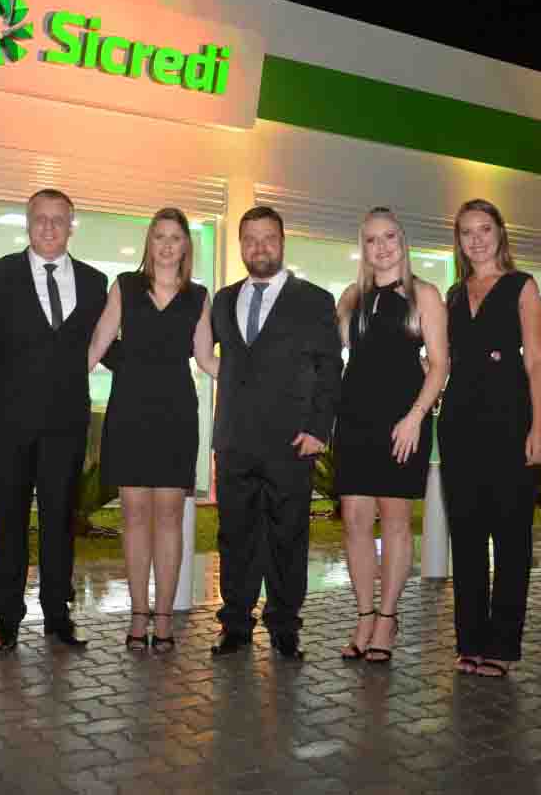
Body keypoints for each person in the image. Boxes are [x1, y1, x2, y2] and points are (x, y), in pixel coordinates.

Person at [0, 188, 110, 651]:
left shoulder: (94, 282)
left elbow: (109, 345)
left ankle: (57, 616)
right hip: (10, 423)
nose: (49, 227)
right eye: (40, 219)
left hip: (66, 424)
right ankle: (7, 618)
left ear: (71, 225)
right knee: (8, 521)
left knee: (59, 521)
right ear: (27, 224)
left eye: (58, 219)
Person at [208, 206, 342, 659]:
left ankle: (285, 625)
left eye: (268, 238)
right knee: (235, 535)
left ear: (282, 242)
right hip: (234, 441)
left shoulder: (315, 300)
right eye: (250, 239)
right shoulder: (223, 300)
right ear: (240, 245)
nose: (259, 247)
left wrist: (318, 429)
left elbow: (330, 369)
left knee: (288, 536)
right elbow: (208, 354)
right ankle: (235, 624)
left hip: (291, 442)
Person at [88, 208, 220, 653]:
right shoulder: (125, 286)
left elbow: (207, 359)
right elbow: (98, 343)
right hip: (129, 412)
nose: (166, 245)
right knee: (134, 515)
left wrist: (256, 377)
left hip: (176, 415)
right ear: (150, 243)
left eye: (175, 238)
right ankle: (138, 613)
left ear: (185, 247)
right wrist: (60, 385)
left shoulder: (198, 297)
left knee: (169, 516)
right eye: (159, 237)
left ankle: (164, 617)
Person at [438, 199, 541, 678]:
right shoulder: (452, 294)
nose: (477, 240)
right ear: (459, 241)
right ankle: (470, 642)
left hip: (509, 421)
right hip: (459, 423)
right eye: (467, 232)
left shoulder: (523, 286)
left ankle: (502, 645)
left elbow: (537, 360)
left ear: (500, 233)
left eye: (484, 229)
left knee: (510, 537)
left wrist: (538, 427)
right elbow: (443, 360)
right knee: (465, 536)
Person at [332, 208, 448, 663]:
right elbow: (334, 353)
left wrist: (415, 417)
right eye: (371, 240)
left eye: (389, 237)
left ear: (403, 240)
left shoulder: (425, 295)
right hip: (355, 417)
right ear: (363, 247)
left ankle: (387, 618)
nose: (381, 247)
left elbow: (439, 365)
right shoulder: (352, 297)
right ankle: (364, 615)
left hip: (403, 419)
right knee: (354, 520)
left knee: (395, 520)